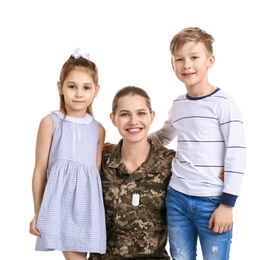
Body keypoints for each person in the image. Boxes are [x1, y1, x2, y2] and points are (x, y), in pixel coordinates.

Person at [149, 27, 247, 259]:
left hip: (212, 202)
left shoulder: (224, 104)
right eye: (179, 59)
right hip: (177, 198)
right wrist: (130, 139)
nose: (187, 65)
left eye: (194, 57)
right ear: (172, 65)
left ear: (210, 60)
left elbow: (237, 153)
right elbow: (162, 137)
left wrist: (227, 204)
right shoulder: (179, 104)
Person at [29, 48, 106, 260]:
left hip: (88, 209)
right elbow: (40, 171)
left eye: (86, 87)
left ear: (96, 90)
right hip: (59, 207)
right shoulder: (50, 122)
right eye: (72, 86)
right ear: (60, 87)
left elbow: (95, 174)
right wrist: (38, 212)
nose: (79, 94)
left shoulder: (98, 129)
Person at [89, 86, 176, 259]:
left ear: (151, 117)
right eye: (125, 114)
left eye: (141, 113)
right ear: (113, 119)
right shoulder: (100, 159)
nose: (133, 121)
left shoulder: (171, 163)